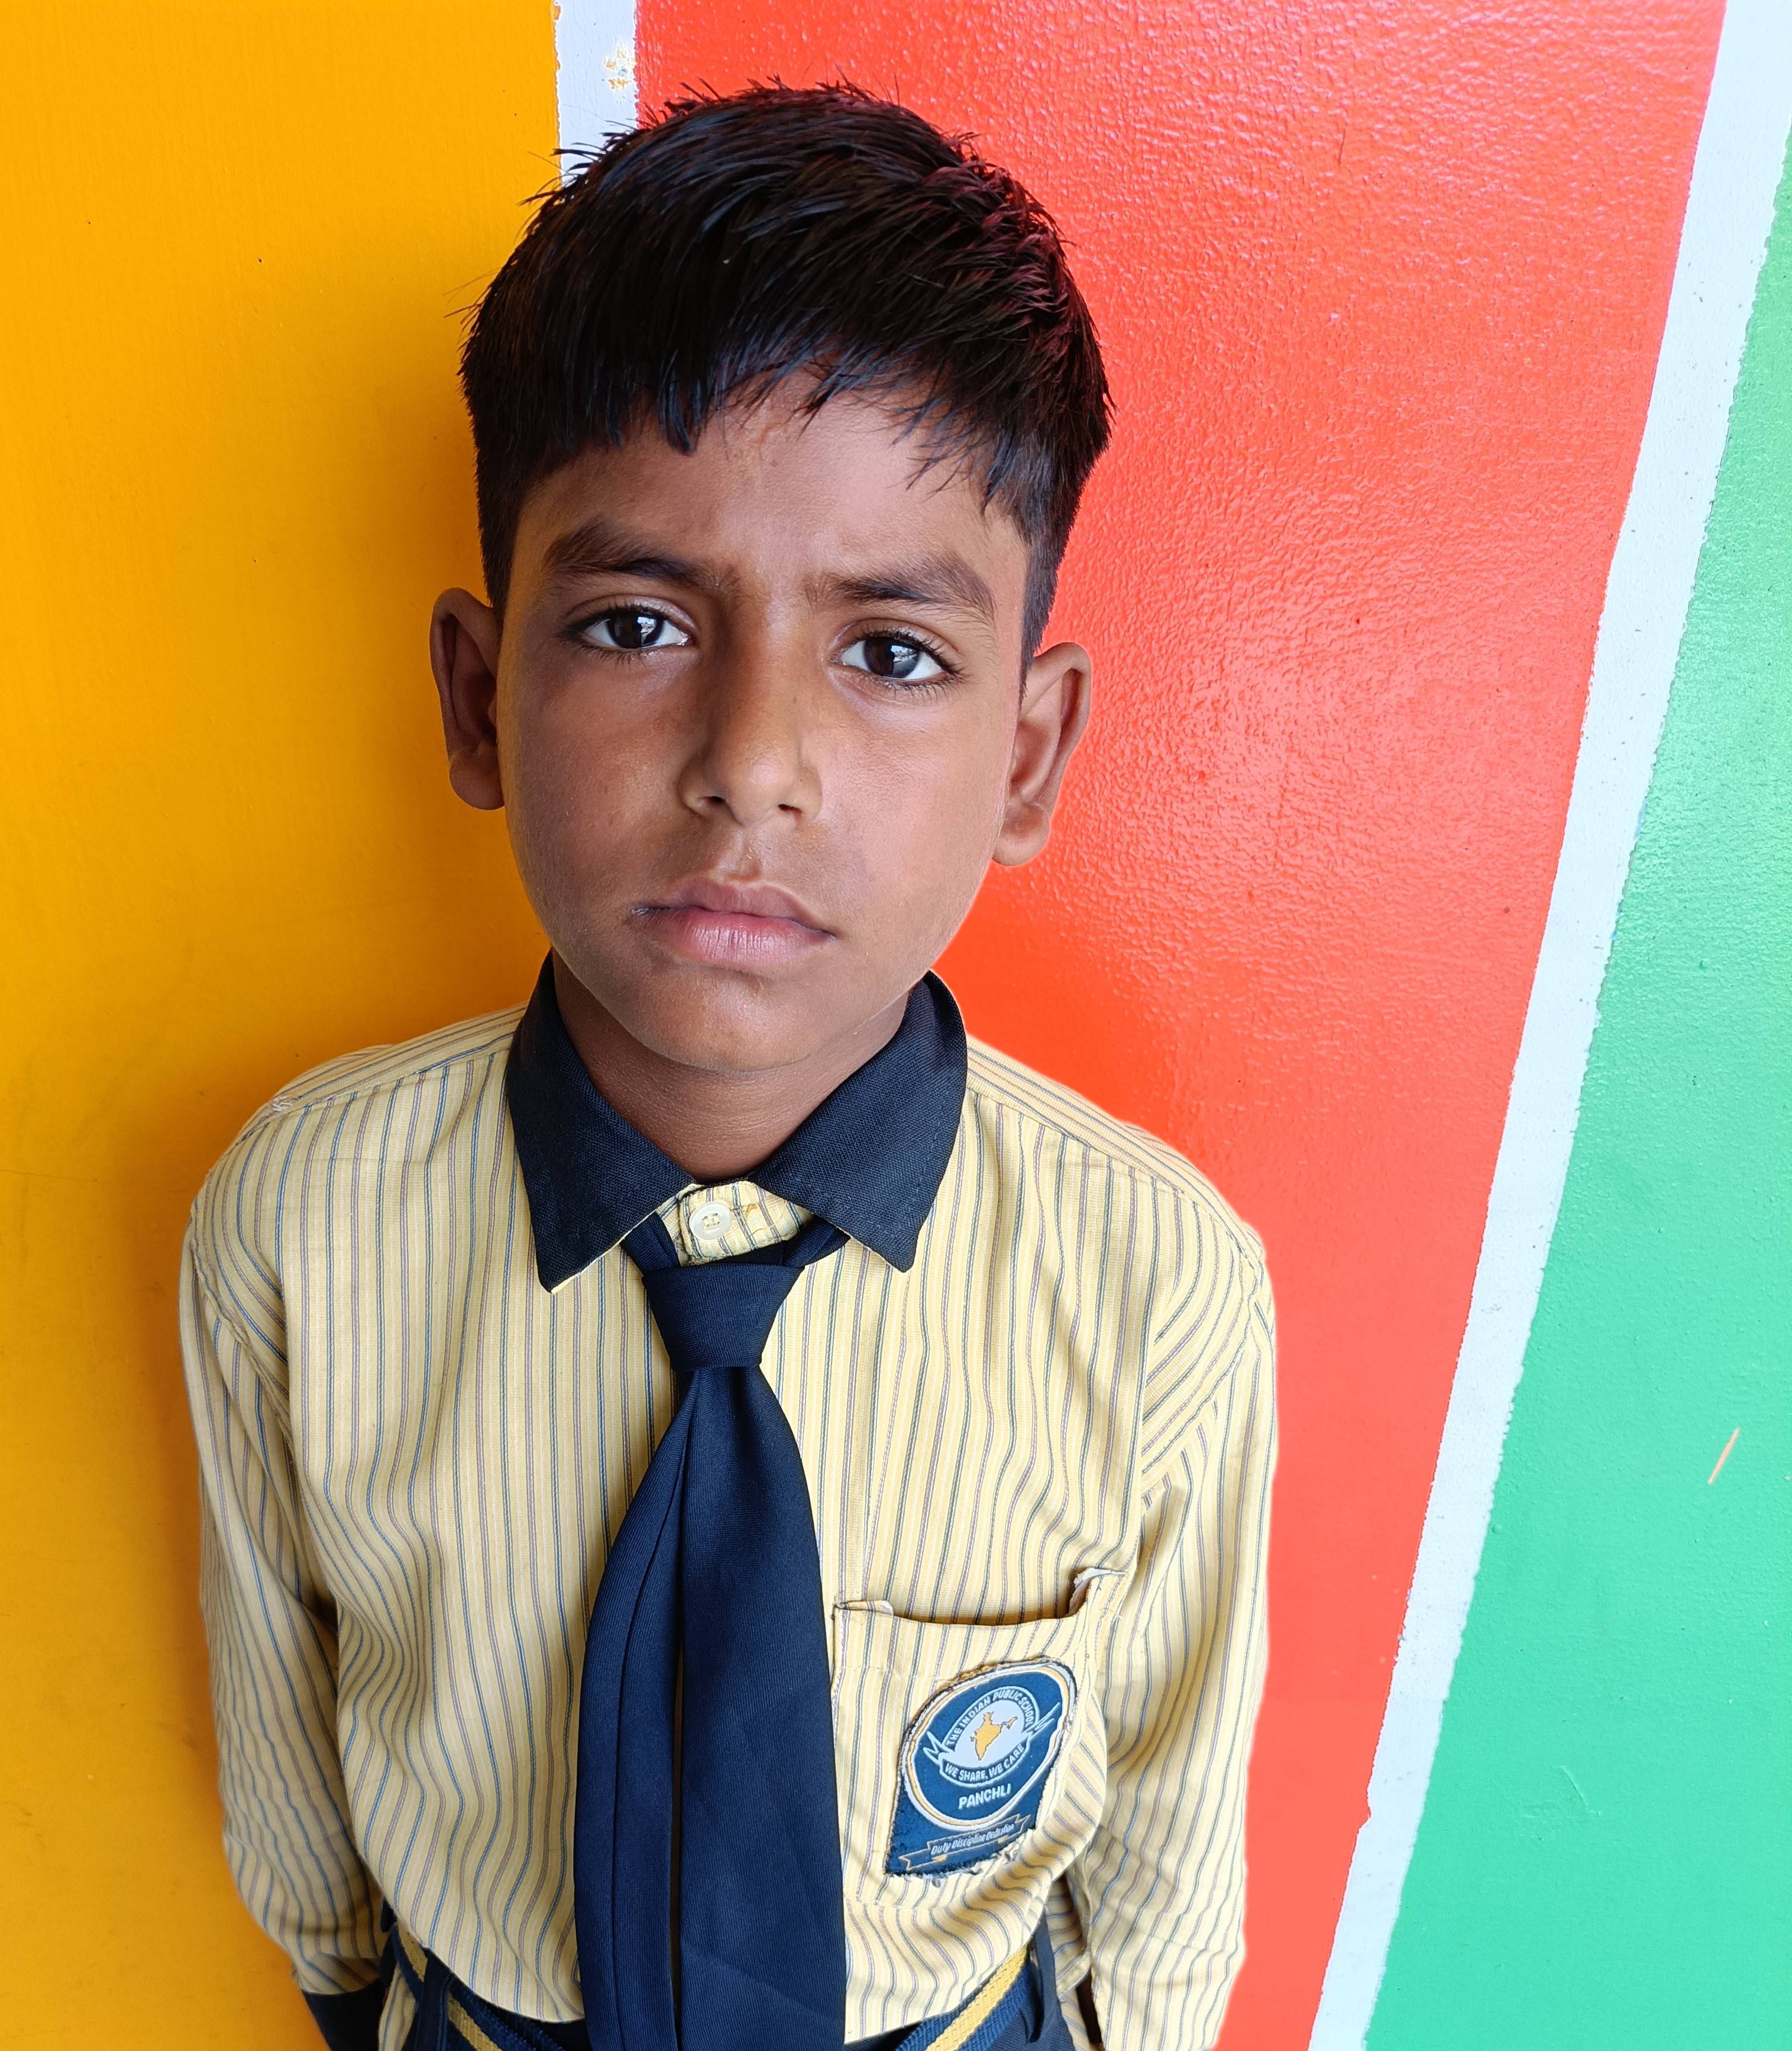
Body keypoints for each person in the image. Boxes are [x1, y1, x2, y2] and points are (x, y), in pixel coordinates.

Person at [180, 85, 1275, 2051]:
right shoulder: (299, 1223)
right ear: (476, 697)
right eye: (633, 623)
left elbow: (1170, 1840)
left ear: (1024, 757)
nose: (751, 762)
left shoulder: (1154, 1281)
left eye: (890, 653)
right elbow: (290, 1750)